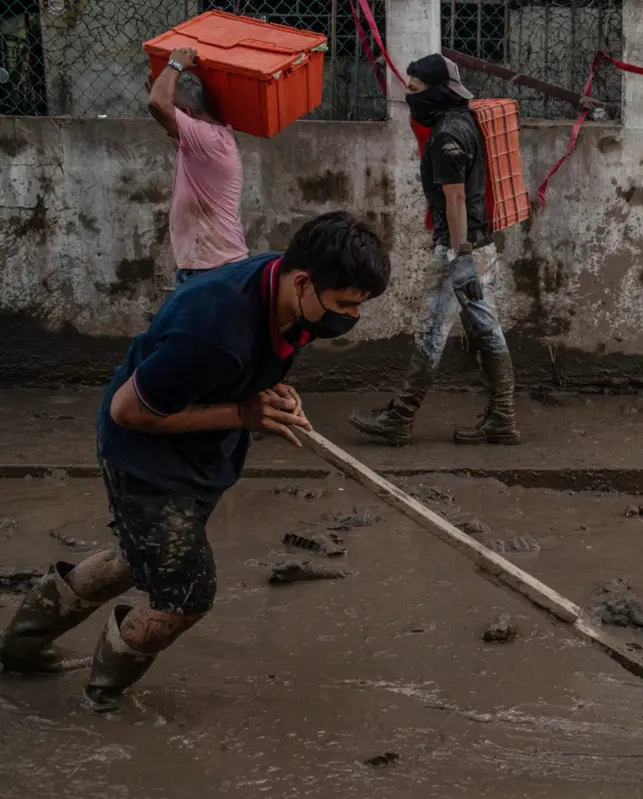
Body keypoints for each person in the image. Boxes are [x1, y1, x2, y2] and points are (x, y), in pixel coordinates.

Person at [0, 212, 390, 711]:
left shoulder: (291, 291)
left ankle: (21, 648)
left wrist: (271, 390)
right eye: (345, 305)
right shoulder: (213, 328)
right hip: (146, 457)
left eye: (359, 305)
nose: (352, 316)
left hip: (202, 452)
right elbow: (128, 411)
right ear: (301, 283)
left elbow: (259, 359)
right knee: (187, 594)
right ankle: (103, 698)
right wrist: (243, 413)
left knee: (136, 557)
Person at [347, 54, 520, 447]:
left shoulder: (446, 135)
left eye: (416, 89)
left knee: (433, 331)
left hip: (460, 248)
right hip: (478, 242)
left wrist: (460, 256)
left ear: (438, 91)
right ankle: (502, 417)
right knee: (485, 327)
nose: (411, 97)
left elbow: (455, 198)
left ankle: (401, 417)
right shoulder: (465, 120)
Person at [148, 46, 248, 285]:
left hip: (212, 268)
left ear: (186, 112)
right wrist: (162, 84)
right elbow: (160, 109)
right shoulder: (206, 139)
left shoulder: (207, 138)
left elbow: (157, 104)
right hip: (210, 266)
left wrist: (174, 65)